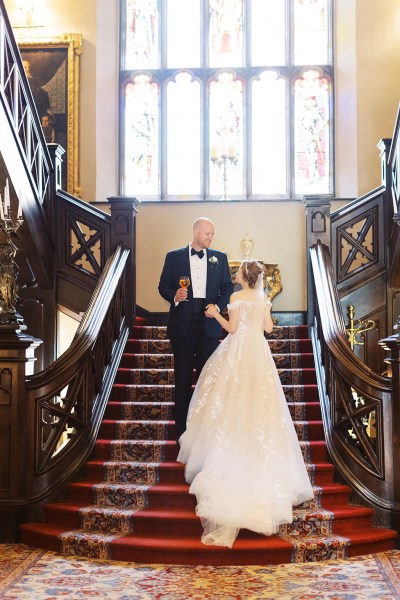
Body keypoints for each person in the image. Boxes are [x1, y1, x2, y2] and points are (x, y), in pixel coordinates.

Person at [177, 260, 314, 548]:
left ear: (244, 277)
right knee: (262, 407)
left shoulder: (236, 298)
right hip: (259, 354)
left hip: (239, 353)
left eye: (237, 272)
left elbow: (233, 328)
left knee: (230, 402)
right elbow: (269, 329)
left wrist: (215, 314)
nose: (234, 274)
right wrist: (263, 311)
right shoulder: (262, 298)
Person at [158, 217, 233, 440]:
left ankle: (203, 431)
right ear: (195, 232)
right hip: (182, 324)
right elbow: (163, 286)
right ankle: (181, 432)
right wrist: (174, 296)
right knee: (182, 378)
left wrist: (218, 307)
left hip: (209, 323)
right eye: (207, 233)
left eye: (213, 234)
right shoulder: (174, 257)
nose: (211, 237)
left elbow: (228, 288)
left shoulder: (220, 258)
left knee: (205, 378)